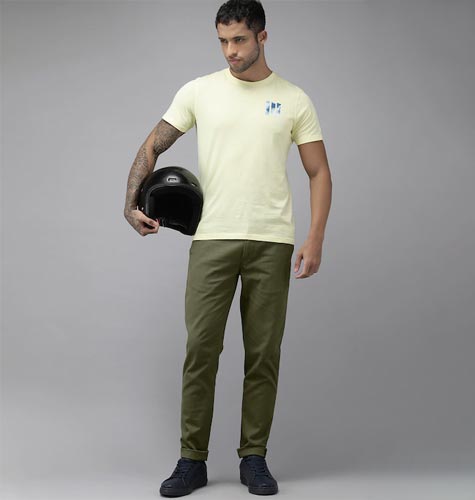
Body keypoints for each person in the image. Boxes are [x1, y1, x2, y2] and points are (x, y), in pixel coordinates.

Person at [124, 0, 332, 496]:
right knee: (201, 349)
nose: (230, 51)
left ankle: (253, 458)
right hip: (212, 238)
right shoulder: (199, 91)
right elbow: (153, 144)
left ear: (262, 36)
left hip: (272, 241)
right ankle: (191, 461)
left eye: (239, 40)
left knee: (263, 354)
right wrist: (129, 203)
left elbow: (319, 171)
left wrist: (315, 237)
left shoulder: (293, 99)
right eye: (223, 41)